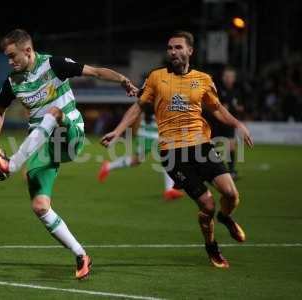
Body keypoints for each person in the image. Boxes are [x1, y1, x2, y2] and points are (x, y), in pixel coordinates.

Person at [0, 29, 138, 279]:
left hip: (70, 132)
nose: (9, 61)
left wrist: (122, 79)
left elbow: (96, 71)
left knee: (55, 112)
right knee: (40, 206)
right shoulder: (12, 82)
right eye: (7, 57)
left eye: (12, 56)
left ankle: (11, 165)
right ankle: (81, 255)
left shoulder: (53, 64)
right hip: (41, 144)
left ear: (28, 51)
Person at [101, 31, 253, 268]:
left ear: (190, 51)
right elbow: (138, 107)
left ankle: (226, 217)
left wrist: (238, 124)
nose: (173, 52)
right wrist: (118, 130)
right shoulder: (156, 77)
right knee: (207, 205)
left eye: (178, 47)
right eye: (170, 48)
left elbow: (216, 109)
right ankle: (211, 246)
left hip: (201, 146)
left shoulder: (203, 79)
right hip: (172, 153)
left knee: (231, 194)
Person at [98, 104, 184, 200]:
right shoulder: (153, 96)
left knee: (168, 159)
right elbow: (138, 111)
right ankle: (108, 166)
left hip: (159, 134)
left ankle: (169, 190)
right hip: (147, 134)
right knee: (136, 161)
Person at [204, 66, 245, 179]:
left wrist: (235, 108)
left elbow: (241, 107)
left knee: (231, 146)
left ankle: (231, 171)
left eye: (230, 76)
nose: (228, 78)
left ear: (234, 78)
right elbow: (216, 105)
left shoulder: (236, 92)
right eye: (226, 76)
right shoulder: (218, 90)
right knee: (213, 147)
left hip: (228, 123)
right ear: (223, 78)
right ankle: (213, 169)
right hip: (216, 122)